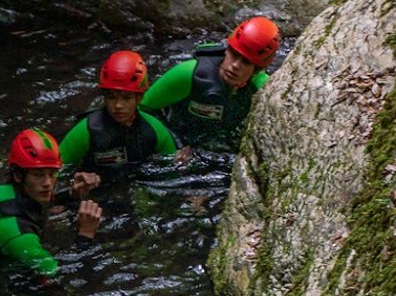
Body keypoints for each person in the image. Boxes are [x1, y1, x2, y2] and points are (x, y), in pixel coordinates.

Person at [140, 15, 281, 151]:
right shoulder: (189, 75)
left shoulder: (261, 89)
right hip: (179, 134)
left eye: (246, 62)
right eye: (234, 54)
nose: (235, 65)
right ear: (226, 50)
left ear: (256, 70)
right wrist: (176, 144)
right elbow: (143, 108)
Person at [0, 128, 103, 280]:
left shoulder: (5, 192)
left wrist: (71, 196)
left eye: (52, 174)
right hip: (7, 286)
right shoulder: (21, 237)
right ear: (18, 175)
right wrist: (86, 234)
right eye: (38, 175)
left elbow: (31, 206)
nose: (48, 183)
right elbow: (61, 274)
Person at [57, 50, 181, 194]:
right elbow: (55, 172)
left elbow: (174, 175)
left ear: (139, 98)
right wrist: (71, 187)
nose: (118, 106)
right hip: (97, 191)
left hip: (138, 187)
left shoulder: (154, 130)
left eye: (126, 98)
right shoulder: (86, 130)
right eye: (111, 97)